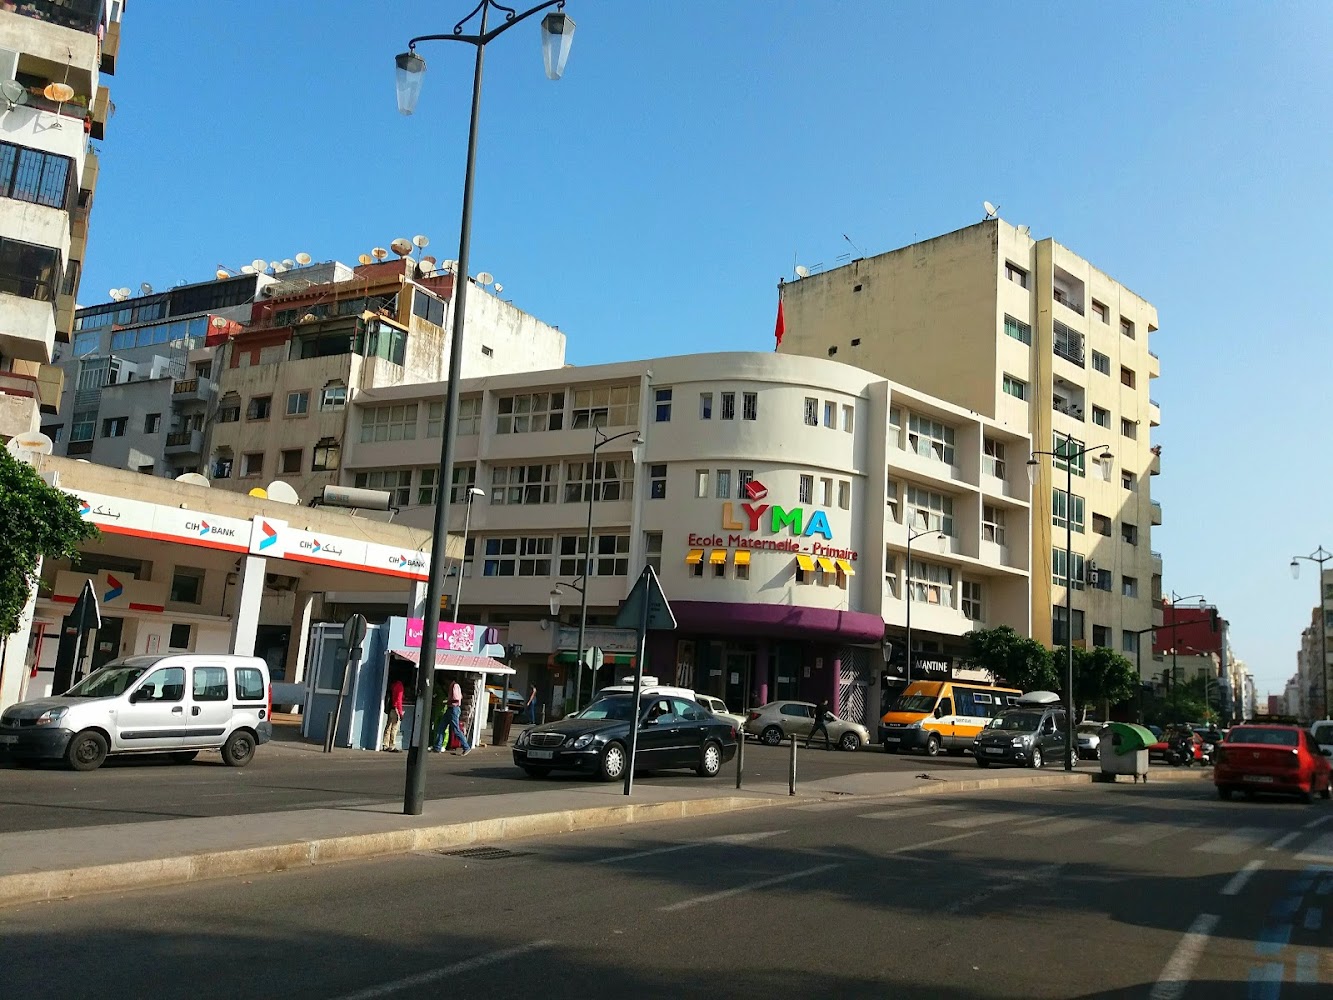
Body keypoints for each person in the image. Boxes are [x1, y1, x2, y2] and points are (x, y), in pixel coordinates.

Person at [443, 676, 471, 755]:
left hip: (453, 708)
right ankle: (437, 746)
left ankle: (466, 746)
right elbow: (460, 697)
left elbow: (456, 699)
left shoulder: (454, 686)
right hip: (452, 708)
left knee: (456, 729)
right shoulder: (456, 686)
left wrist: (447, 701)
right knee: (442, 726)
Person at [381, 676, 404, 752]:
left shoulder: (393, 685)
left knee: (388, 726)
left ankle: (385, 744)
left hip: (391, 708)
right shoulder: (400, 686)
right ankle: (392, 745)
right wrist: (400, 713)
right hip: (396, 709)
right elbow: (399, 700)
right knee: (394, 728)